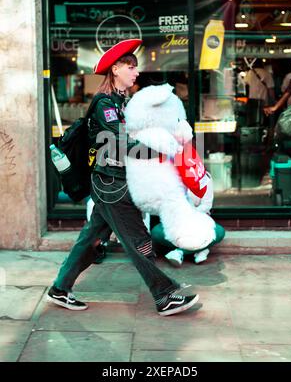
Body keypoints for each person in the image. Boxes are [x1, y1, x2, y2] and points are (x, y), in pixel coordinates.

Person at [47, 39, 199, 316]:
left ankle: (60, 288)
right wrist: (158, 152)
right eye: (130, 66)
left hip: (113, 182)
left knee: (90, 239)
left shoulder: (122, 101)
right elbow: (118, 143)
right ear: (115, 69)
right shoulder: (105, 102)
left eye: (135, 67)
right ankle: (164, 295)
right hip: (110, 184)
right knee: (138, 238)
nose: (135, 72)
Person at [151, 172, 225, 267]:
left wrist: (189, 215)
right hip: (176, 221)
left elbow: (206, 205)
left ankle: (179, 252)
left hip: (199, 220)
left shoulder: (204, 177)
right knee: (156, 232)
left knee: (219, 232)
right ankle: (201, 249)